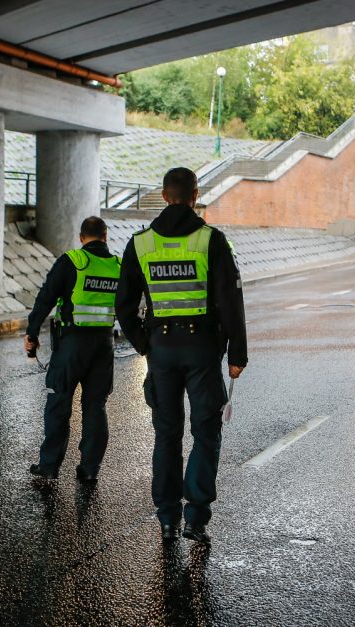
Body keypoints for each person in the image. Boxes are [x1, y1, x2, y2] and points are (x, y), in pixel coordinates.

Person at [116, 167, 247, 545]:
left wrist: (145, 343)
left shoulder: (140, 244)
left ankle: (168, 518)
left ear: (163, 194)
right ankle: (196, 518)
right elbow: (230, 300)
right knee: (206, 432)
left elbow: (124, 306)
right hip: (202, 350)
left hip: (161, 350)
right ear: (195, 195)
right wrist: (237, 354)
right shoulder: (211, 240)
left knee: (166, 435)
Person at [25, 217, 121, 482]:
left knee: (59, 403)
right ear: (105, 236)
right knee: (95, 406)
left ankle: (49, 467)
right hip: (104, 345)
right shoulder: (117, 266)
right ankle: (90, 469)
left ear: (81, 238)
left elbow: (45, 297)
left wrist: (32, 332)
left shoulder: (72, 261)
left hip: (72, 344)